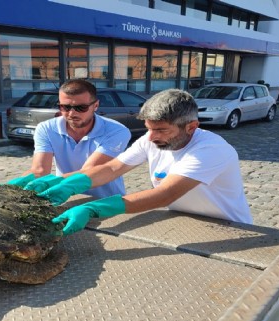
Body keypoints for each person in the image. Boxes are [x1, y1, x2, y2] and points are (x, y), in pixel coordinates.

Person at [25, 88, 253, 235]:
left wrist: (96, 208)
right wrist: (67, 183)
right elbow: (113, 167)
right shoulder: (151, 138)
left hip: (230, 228)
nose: (152, 138)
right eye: (149, 129)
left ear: (191, 127)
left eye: (161, 130)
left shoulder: (210, 150)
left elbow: (165, 194)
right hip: (184, 221)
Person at [7, 79, 131, 199]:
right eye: (65, 107)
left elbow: (89, 171)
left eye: (81, 108)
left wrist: (50, 183)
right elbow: (40, 170)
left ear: (96, 105)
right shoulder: (46, 128)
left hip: (105, 200)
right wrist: (15, 188)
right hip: (64, 196)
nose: (72, 114)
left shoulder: (116, 131)